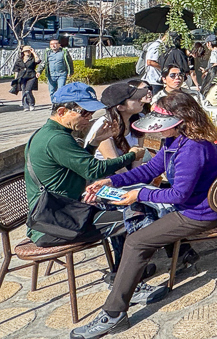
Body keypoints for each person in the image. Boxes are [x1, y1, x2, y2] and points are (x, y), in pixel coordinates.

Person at [75, 92, 217, 339]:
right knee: (136, 224)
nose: (157, 126)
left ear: (181, 119)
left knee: (136, 241)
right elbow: (148, 170)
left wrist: (139, 195)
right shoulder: (174, 141)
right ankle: (134, 282)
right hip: (192, 205)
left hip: (199, 212)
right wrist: (111, 181)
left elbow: (178, 195)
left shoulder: (193, 148)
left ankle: (114, 314)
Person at [24, 83, 143, 248]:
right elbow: (94, 170)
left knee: (121, 207)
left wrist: (94, 142)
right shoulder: (57, 139)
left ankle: (122, 266)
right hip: (56, 224)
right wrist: (132, 155)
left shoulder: (49, 133)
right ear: (62, 112)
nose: (89, 118)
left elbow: (78, 165)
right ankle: (127, 270)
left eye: (91, 113)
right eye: (85, 113)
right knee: (134, 215)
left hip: (62, 212)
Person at [13, 46, 41, 110]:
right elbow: (16, 70)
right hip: (22, 76)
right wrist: (16, 79)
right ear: (23, 52)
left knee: (28, 90)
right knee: (23, 91)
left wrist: (33, 52)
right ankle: (25, 106)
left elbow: (38, 60)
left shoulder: (32, 58)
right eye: (26, 51)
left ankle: (31, 104)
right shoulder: (19, 60)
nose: (27, 52)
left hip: (31, 76)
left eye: (28, 51)